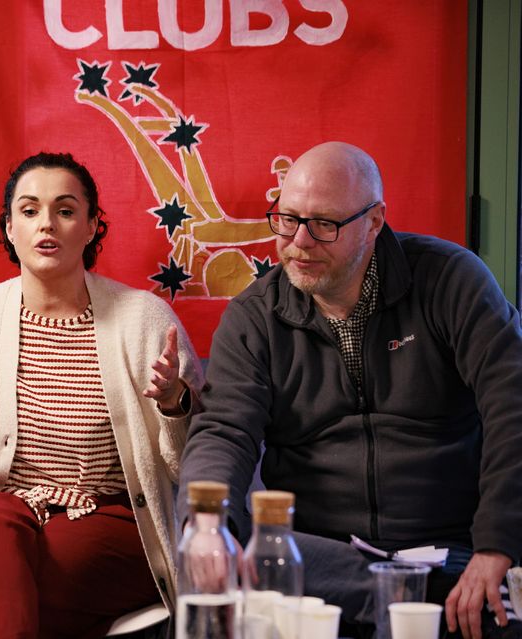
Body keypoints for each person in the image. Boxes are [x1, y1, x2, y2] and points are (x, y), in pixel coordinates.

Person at [178, 141, 522, 639]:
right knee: (242, 548)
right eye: (287, 219)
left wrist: (497, 546)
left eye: (324, 224)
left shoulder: (450, 280)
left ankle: (409, 590)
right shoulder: (254, 317)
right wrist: (206, 526)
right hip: (320, 557)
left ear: (375, 221)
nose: (299, 241)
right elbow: (222, 431)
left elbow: (512, 405)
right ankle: (403, 591)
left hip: (454, 545)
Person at [0, 152, 204, 638]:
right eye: (29, 211)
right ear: (9, 228)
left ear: (93, 226)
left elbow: (190, 469)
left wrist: (175, 405)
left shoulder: (146, 320)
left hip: (114, 523)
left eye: (66, 210)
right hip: (1, 513)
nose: (46, 224)